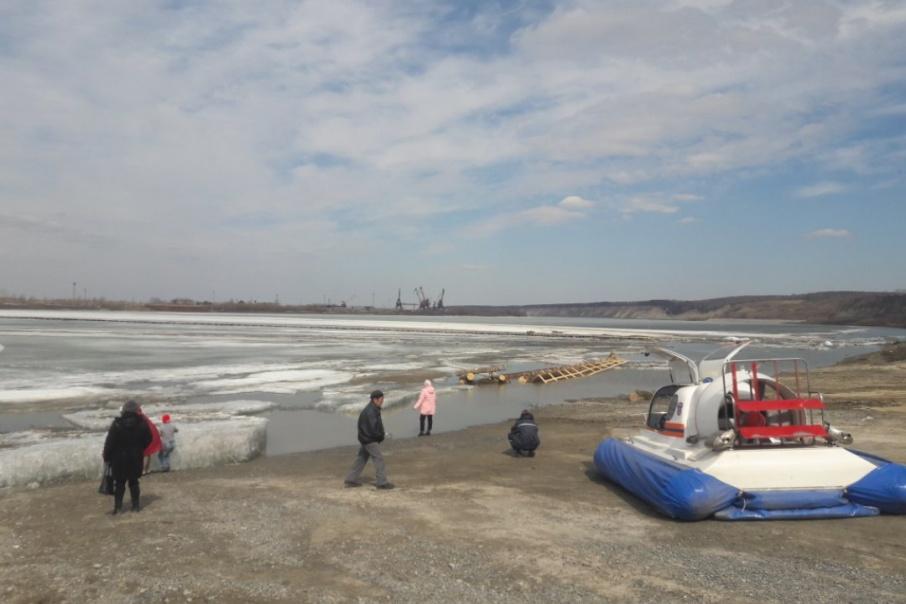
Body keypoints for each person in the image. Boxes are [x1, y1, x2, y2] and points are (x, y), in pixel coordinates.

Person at [102, 400, 152, 514]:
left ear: (124, 410)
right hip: (135, 458)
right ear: (136, 410)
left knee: (119, 484)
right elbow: (149, 439)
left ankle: (118, 508)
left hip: (118, 459)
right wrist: (140, 448)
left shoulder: (117, 424)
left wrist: (106, 456)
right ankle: (135, 507)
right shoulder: (142, 423)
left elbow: (109, 442)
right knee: (134, 482)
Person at [344, 390, 394, 490]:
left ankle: (350, 479)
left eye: (383, 399)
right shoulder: (371, 411)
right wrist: (381, 435)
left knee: (361, 459)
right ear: (375, 399)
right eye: (381, 399)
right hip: (369, 439)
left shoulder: (373, 408)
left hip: (365, 438)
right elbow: (373, 428)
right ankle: (382, 483)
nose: (382, 401)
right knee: (378, 459)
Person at [139, 406, 162, 474]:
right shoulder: (145, 418)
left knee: (143, 455)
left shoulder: (139, 418)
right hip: (148, 439)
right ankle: (146, 470)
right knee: (148, 454)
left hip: (143, 439)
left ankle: (143, 470)